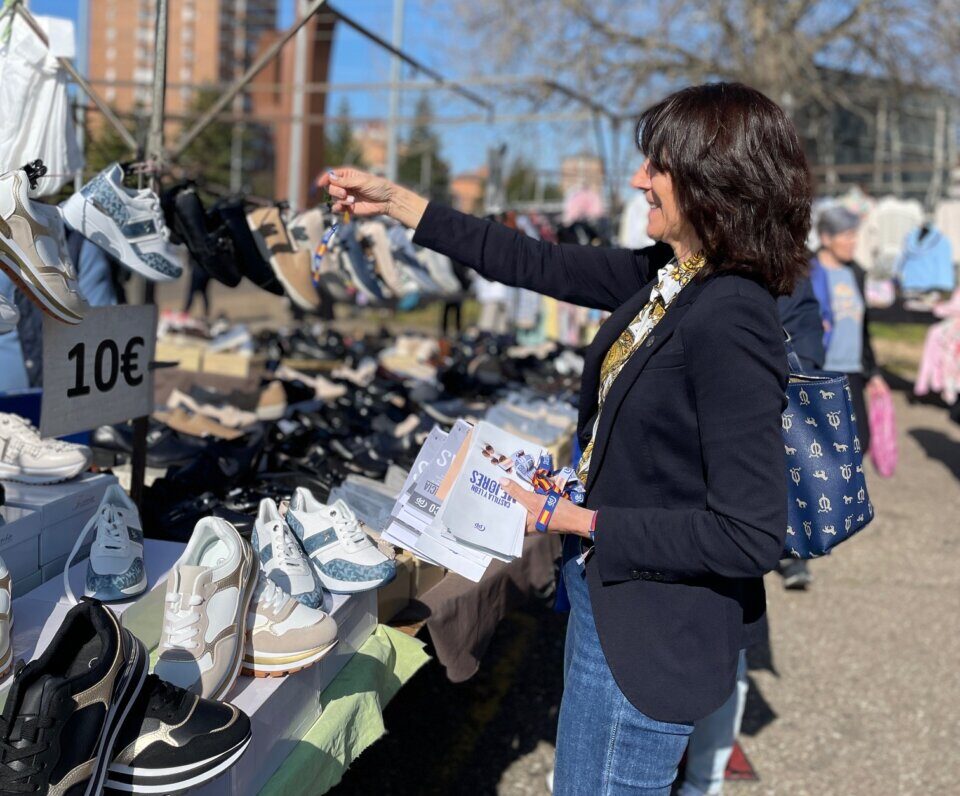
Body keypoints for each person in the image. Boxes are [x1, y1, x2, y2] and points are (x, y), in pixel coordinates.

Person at [319, 81, 811, 795]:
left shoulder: (731, 313)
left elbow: (749, 533)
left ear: (717, 183)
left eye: (659, 166)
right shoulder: (673, 277)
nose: (639, 178)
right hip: (607, 597)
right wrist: (396, 204)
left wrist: (578, 518)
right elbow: (530, 261)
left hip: (650, 630)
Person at [809, 206, 889, 452]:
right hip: (819, 371)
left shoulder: (856, 272)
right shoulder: (808, 272)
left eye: (854, 235)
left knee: (860, 442)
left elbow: (862, 328)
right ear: (826, 238)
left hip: (852, 371)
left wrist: (872, 371)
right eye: (846, 235)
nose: (853, 242)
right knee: (825, 446)